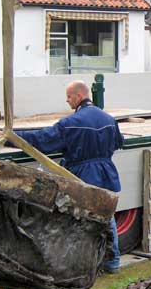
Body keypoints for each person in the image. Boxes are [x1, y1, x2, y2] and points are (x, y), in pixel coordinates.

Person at [12, 80, 124, 273]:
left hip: (83, 175)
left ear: (79, 96)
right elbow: (118, 142)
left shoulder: (71, 123)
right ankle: (112, 262)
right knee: (107, 217)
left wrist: (11, 135)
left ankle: (80, 264)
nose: (67, 100)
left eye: (69, 96)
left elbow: (44, 140)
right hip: (106, 172)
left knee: (78, 220)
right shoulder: (107, 118)